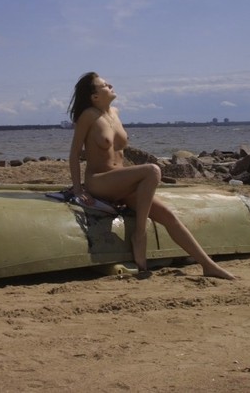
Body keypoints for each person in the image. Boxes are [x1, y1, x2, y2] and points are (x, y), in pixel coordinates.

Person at [67, 72, 236, 280]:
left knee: (169, 216)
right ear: (94, 96)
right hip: (100, 181)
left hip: (121, 182)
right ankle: (140, 235)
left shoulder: (116, 113)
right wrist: (77, 189)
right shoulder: (89, 116)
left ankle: (208, 265)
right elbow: (74, 155)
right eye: (104, 85)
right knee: (152, 170)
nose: (110, 85)